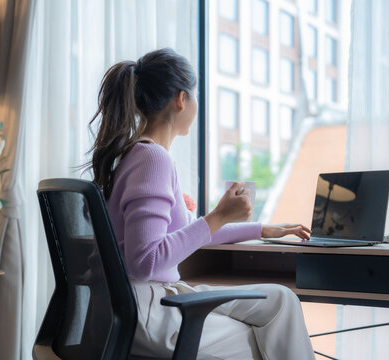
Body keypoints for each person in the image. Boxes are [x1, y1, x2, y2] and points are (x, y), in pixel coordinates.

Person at [87, 48, 315, 360]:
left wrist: (261, 228)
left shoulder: (139, 155)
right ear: (181, 99)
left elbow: (185, 234)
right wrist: (218, 216)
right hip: (146, 314)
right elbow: (146, 261)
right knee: (264, 333)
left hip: (139, 303)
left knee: (281, 301)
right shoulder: (152, 159)